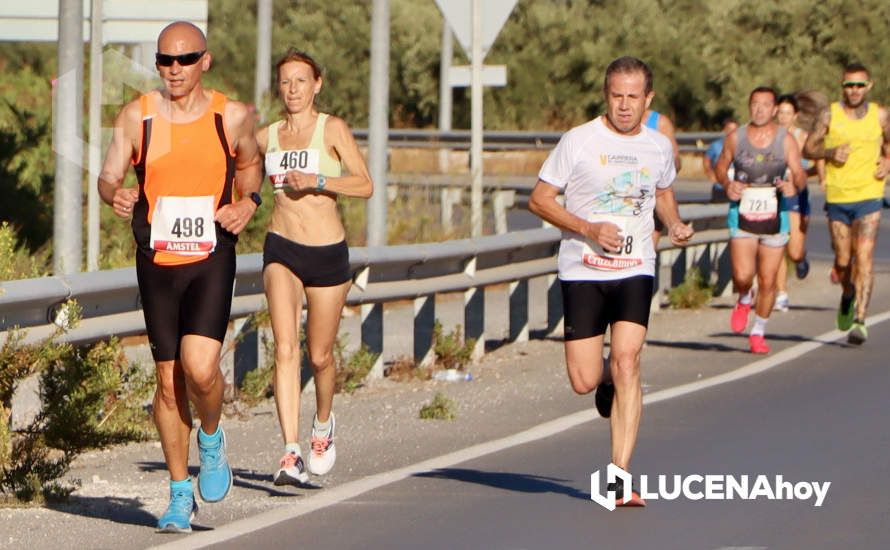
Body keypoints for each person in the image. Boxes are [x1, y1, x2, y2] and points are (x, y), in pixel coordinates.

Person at [97, 22, 262, 532]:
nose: (174, 69)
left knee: (201, 367)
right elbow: (108, 176)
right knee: (168, 383)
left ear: (204, 62)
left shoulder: (231, 115)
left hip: (211, 255)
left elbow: (252, 165)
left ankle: (210, 438)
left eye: (185, 59)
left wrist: (247, 203)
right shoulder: (137, 115)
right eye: (165, 60)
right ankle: (176, 494)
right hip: (157, 258)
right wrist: (116, 195)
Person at [529, 56, 693, 506]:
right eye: (616, 96)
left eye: (633, 97)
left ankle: (619, 476)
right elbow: (540, 200)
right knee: (584, 379)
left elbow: (662, 191)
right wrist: (587, 228)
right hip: (583, 268)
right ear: (607, 95)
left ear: (648, 100)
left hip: (635, 267)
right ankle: (606, 381)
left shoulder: (659, 145)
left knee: (628, 360)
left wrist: (675, 223)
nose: (624, 106)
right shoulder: (578, 140)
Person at [257, 49, 372, 487]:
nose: (292, 90)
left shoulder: (332, 129)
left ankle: (322, 426)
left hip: (327, 252)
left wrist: (320, 180)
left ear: (317, 84)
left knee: (319, 356)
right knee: (286, 348)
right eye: (285, 82)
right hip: (281, 247)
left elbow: (365, 184)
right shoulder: (266, 136)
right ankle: (290, 453)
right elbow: (241, 173)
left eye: (301, 81)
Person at [804, 62, 890, 345]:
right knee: (843, 261)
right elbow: (808, 148)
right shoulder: (830, 114)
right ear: (842, 87)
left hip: (869, 195)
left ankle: (860, 320)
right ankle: (847, 294)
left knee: (864, 257)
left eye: (859, 85)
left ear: (869, 86)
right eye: (849, 85)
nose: (854, 91)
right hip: (838, 197)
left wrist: (887, 162)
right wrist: (829, 152)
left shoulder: (880, 115)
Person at [715, 87, 806, 354]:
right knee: (743, 275)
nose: (759, 110)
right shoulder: (736, 137)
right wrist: (726, 183)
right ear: (749, 106)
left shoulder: (785, 140)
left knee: (768, 279)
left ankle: (758, 331)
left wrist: (793, 186)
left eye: (765, 105)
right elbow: (721, 166)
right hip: (742, 212)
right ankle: (744, 297)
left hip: (775, 214)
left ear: (775, 109)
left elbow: (799, 174)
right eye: (755, 104)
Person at [774, 94, 813, 312]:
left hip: (798, 195)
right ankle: (781, 293)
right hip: (777, 196)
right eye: (780, 112)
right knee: (778, 244)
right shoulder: (770, 136)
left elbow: (817, 163)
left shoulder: (802, 138)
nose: (783, 117)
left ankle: (801, 259)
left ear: (795, 116)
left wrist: (802, 175)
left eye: (787, 113)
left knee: (795, 251)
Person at [644, 109, 681, 245]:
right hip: (620, 201)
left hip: (652, 198)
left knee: (645, 254)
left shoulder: (660, 123)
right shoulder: (611, 120)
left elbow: (675, 159)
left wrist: (662, 171)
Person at [703, 117, 739, 203]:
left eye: (735, 129)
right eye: (730, 129)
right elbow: (706, 161)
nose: (732, 132)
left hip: (737, 188)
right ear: (725, 130)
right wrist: (710, 173)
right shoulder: (715, 145)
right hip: (720, 187)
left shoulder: (743, 145)